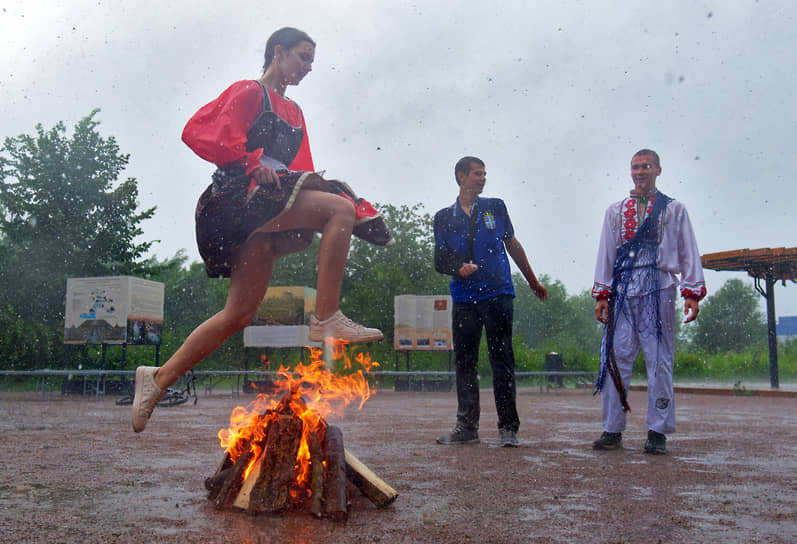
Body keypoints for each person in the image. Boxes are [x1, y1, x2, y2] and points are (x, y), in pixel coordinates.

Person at [131, 27, 390, 433]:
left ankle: (157, 379)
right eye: (303, 57)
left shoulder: (297, 112)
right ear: (278, 52)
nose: (308, 68)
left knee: (239, 314)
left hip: (270, 207)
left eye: (312, 61)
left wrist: (319, 185)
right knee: (339, 210)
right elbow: (197, 132)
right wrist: (252, 162)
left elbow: (299, 168)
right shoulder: (249, 91)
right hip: (236, 198)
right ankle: (325, 316)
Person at [591, 149, 706, 454]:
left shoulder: (674, 209)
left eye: (646, 166)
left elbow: (687, 250)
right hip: (624, 290)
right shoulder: (615, 211)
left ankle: (657, 431)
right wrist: (603, 294)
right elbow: (606, 252)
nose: (640, 172)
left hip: (660, 288)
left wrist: (692, 292)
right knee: (614, 357)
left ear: (658, 170)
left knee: (659, 361)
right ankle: (612, 429)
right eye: (635, 167)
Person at [433, 156, 548, 447]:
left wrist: (532, 281)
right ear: (461, 177)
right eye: (476, 174)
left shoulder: (495, 206)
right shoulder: (443, 217)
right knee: (465, 362)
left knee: (502, 360)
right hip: (464, 298)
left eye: (484, 174)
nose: (483, 179)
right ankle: (467, 427)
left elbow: (512, 244)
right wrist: (458, 266)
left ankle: (508, 428)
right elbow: (440, 259)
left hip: (497, 293)